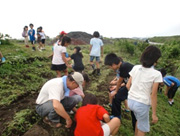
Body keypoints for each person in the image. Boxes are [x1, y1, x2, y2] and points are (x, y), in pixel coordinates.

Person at [126, 45, 162, 136]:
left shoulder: (135, 67)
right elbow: (153, 95)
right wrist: (154, 114)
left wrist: (135, 94)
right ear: (155, 60)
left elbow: (128, 85)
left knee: (139, 121)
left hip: (130, 101)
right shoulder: (157, 74)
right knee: (142, 129)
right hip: (142, 104)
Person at [104, 53, 133, 120]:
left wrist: (116, 90)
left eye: (110, 67)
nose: (110, 68)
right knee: (116, 97)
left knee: (116, 96)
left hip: (135, 88)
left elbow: (120, 81)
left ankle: (116, 116)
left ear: (114, 64)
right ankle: (116, 115)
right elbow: (124, 81)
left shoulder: (124, 66)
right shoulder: (122, 65)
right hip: (129, 86)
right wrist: (116, 89)